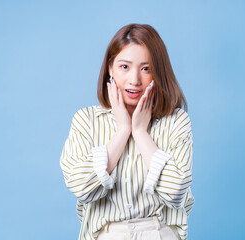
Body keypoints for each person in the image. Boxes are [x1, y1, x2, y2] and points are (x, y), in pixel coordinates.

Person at [60, 23, 194, 240]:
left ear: (159, 72)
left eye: (146, 68)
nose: (134, 80)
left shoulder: (176, 122)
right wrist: (123, 130)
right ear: (110, 68)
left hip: (159, 233)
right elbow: (82, 187)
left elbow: (175, 191)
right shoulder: (86, 120)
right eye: (124, 67)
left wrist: (140, 132)